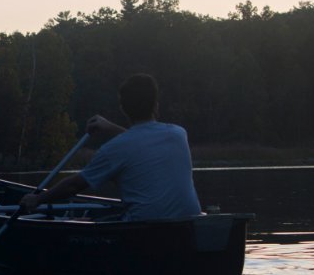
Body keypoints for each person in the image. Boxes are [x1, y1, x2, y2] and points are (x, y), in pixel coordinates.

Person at [19, 73, 202, 221]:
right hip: (187, 224)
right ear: (156, 106)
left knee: (85, 222)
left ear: (123, 108)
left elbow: (73, 186)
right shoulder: (178, 134)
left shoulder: (114, 149)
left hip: (142, 229)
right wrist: (110, 127)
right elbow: (141, 141)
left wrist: (37, 199)